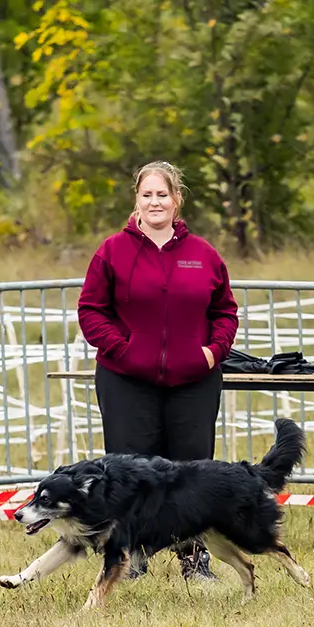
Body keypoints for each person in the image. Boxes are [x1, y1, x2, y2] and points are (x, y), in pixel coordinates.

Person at [76, 160, 240, 580]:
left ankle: (194, 560)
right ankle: (131, 559)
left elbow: (225, 311)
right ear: (136, 199)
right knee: (130, 472)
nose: (155, 202)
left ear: (176, 200)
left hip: (193, 382)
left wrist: (211, 352)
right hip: (126, 380)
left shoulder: (203, 255)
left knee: (192, 472)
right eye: (147, 194)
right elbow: (91, 310)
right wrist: (123, 349)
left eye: (162, 194)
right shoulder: (112, 251)